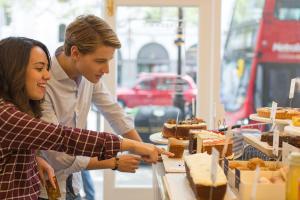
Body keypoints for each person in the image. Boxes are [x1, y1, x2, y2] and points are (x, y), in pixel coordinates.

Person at [0, 36, 171, 200]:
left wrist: (35, 159)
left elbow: (114, 111)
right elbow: (64, 138)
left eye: (46, 68)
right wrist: (128, 150)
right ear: (14, 70)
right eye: (39, 68)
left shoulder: (15, 109)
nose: (47, 75)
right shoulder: (6, 115)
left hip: (69, 184)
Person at [37, 14, 155, 200]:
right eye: (100, 61)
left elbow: (113, 111)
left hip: (73, 185)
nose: (106, 69)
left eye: (109, 60)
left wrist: (141, 147)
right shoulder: (43, 82)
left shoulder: (87, 75)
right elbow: (60, 157)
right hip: (44, 190)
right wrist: (114, 162)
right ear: (75, 53)